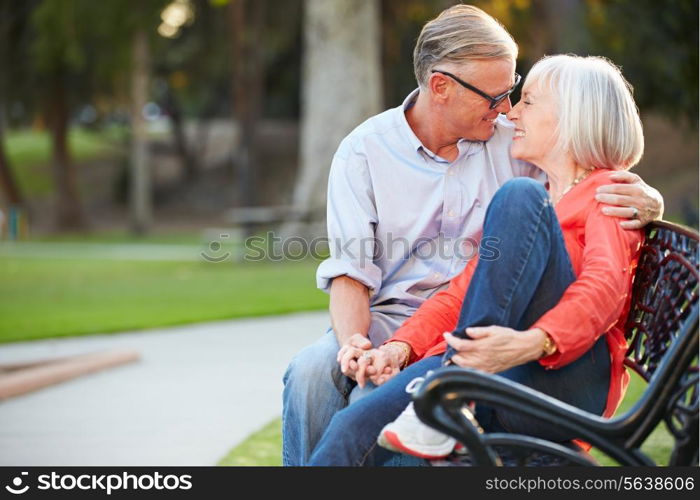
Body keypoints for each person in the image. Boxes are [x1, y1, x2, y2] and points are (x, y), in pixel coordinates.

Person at [283, 4, 663, 466]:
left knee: (518, 196)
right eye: (499, 98)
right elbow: (454, 286)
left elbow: (603, 279)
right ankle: (451, 389)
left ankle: (454, 388)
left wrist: (535, 340)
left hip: (539, 362)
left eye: (521, 97)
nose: (509, 111)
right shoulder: (364, 151)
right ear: (440, 87)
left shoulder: (547, 169)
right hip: (443, 338)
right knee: (342, 413)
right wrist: (394, 346)